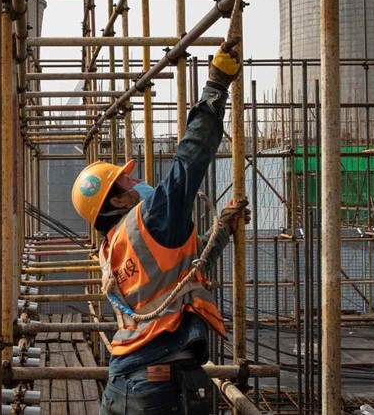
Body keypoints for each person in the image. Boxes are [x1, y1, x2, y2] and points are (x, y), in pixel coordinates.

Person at [71, 43, 249, 415]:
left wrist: (222, 231)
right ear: (117, 202)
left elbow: (183, 275)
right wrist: (215, 88)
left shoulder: (112, 248)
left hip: (121, 383)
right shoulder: (149, 219)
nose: (135, 180)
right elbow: (189, 160)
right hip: (156, 384)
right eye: (125, 182)